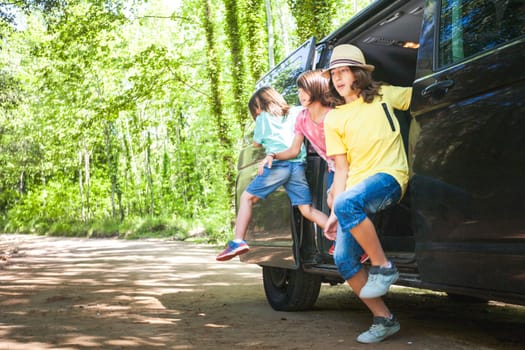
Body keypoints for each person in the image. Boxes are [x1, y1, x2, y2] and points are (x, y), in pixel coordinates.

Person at [322, 44, 412, 343]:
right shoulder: (334, 119)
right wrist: (335, 212)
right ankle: (384, 319)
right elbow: (342, 169)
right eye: (334, 73)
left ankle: (383, 267)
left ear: (358, 73)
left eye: (344, 71)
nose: (338, 78)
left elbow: (427, 96)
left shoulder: (384, 96)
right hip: (354, 192)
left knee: (349, 201)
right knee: (344, 260)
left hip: (389, 178)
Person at [216, 86, 328, 261]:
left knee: (247, 198)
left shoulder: (263, 118)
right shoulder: (297, 112)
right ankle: (339, 235)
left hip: (277, 165)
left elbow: (256, 144)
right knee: (307, 209)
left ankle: (238, 240)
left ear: (258, 107)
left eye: (255, 111)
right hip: (298, 166)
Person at [256, 70, 339, 255]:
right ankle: (346, 242)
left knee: (339, 202)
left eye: (304, 90)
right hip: (334, 167)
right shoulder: (301, 118)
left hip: (351, 164)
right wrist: (273, 155)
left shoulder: (333, 115)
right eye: (299, 90)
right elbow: (294, 150)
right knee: (332, 200)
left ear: (317, 90)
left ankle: (354, 244)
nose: (300, 95)